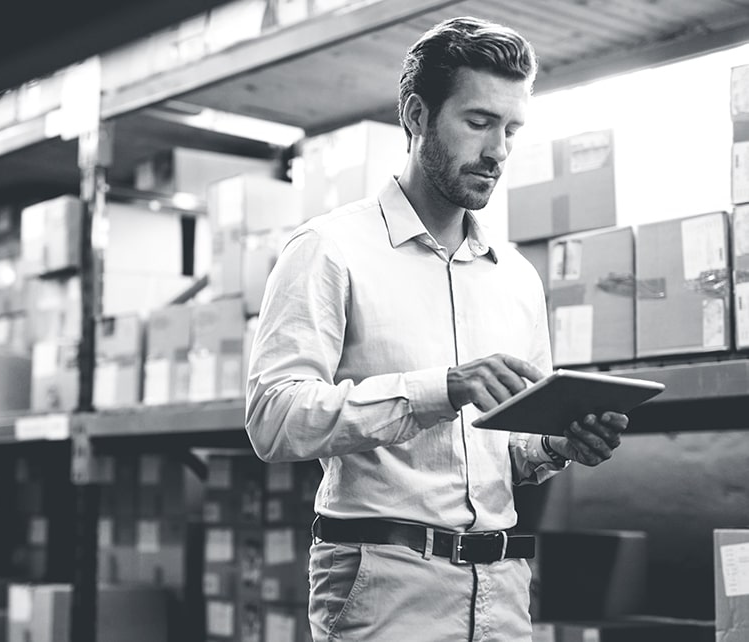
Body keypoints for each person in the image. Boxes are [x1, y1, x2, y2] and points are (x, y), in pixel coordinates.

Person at [245, 15, 628, 642]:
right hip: (383, 586)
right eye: (478, 123)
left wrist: (559, 445)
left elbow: (509, 448)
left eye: (511, 129)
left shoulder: (516, 279)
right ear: (418, 115)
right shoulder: (329, 250)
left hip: (503, 590)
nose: (498, 150)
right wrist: (442, 387)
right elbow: (274, 420)